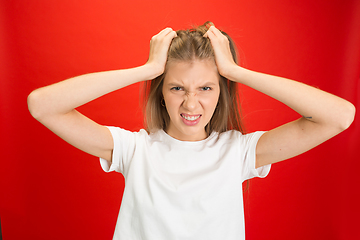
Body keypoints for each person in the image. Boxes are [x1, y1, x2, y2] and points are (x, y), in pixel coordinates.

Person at [27, 22, 355, 240]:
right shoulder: (134, 150)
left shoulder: (238, 152)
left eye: (206, 88)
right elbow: (41, 104)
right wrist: (146, 70)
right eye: (177, 88)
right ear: (161, 92)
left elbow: (340, 116)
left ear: (222, 91)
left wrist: (235, 71)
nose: (191, 104)